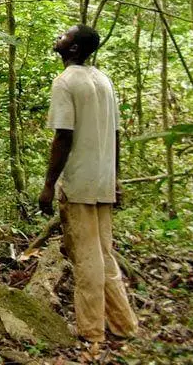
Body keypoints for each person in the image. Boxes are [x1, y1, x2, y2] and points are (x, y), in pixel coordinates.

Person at [37, 24, 139, 345]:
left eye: (65, 35)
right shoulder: (104, 80)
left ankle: (91, 331)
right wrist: (115, 177)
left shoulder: (65, 82)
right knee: (105, 254)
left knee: (87, 258)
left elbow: (63, 136)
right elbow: (116, 135)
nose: (59, 36)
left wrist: (49, 184)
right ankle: (124, 325)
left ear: (74, 50)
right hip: (103, 181)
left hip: (80, 183)